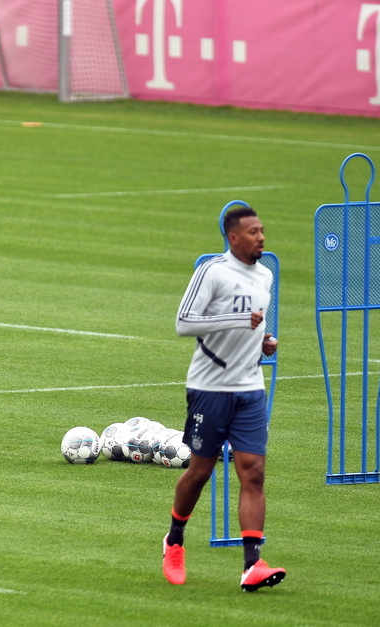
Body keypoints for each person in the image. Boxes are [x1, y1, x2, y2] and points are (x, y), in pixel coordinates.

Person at [161, 206, 285, 591]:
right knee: (200, 471)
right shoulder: (212, 272)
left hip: (249, 388)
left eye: (262, 230)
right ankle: (175, 539)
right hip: (209, 388)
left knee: (253, 471)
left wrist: (263, 343)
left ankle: (252, 564)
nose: (261, 236)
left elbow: (254, 323)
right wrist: (237, 323)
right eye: (253, 231)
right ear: (233, 237)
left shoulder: (265, 276)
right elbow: (185, 323)